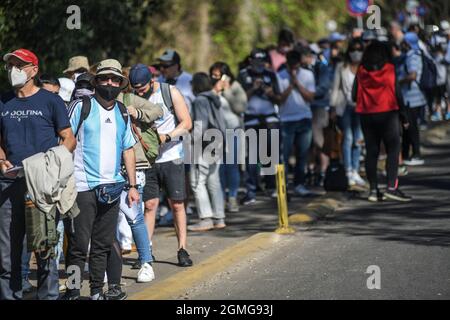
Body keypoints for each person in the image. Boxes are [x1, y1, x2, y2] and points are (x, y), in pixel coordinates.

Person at [0, 48, 76, 300]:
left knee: (44, 249)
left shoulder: (50, 101)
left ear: (34, 70)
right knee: (7, 254)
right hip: (8, 185)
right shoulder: (2, 101)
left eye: (19, 65)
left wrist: (50, 164)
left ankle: (49, 297)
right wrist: (2, 160)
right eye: (10, 65)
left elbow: (68, 139)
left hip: (41, 185)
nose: (13, 69)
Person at [62, 59, 139, 300]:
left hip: (112, 188)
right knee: (77, 244)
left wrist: (133, 185)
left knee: (103, 244)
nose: (109, 83)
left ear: (120, 83)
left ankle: (97, 291)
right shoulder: (81, 106)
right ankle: (74, 291)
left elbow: (128, 149)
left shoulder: (122, 111)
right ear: (96, 81)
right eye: (104, 78)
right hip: (81, 187)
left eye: (114, 79)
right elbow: (65, 140)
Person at [130, 63, 194, 267]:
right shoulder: (133, 98)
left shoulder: (169, 92)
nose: (139, 92)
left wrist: (167, 136)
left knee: (177, 204)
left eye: (141, 88)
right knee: (149, 205)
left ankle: (182, 249)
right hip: (147, 160)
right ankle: (146, 252)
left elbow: (186, 123)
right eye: (135, 89)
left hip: (171, 155)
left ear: (151, 80)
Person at [353, 41, 411, 202]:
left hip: (366, 114)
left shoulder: (361, 70)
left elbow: (353, 95)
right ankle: (391, 187)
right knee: (393, 148)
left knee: (372, 151)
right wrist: (404, 116)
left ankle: (373, 190)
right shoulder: (389, 70)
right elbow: (398, 94)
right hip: (387, 113)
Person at [238, 48, 281, 204]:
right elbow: (240, 100)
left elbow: (279, 98)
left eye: (262, 61)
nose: (260, 65)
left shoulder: (270, 74)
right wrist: (254, 88)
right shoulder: (243, 75)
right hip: (251, 119)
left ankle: (273, 186)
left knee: (271, 153)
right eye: (257, 61)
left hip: (270, 119)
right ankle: (251, 190)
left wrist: (269, 93)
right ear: (250, 61)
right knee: (252, 156)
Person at [187, 73, 226, 231]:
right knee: (213, 181)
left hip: (204, 144)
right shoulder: (215, 99)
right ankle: (219, 218)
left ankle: (206, 218)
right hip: (217, 142)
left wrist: (192, 142)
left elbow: (200, 125)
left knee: (197, 182)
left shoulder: (200, 100)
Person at [209, 62, 247, 213]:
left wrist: (227, 91)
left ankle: (232, 197)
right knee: (219, 167)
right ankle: (221, 198)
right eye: (213, 75)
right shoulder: (209, 88)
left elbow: (241, 108)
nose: (215, 78)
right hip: (216, 133)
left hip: (233, 131)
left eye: (218, 76)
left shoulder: (235, 86)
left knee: (231, 165)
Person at [277, 49, 315, 196]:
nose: (293, 68)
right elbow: (280, 99)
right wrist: (291, 85)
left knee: (302, 154)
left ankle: (300, 184)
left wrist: (297, 83)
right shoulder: (280, 76)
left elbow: (310, 97)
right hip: (286, 119)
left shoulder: (308, 75)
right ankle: (282, 185)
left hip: (304, 117)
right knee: (284, 155)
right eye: (291, 65)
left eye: (296, 65)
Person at [330, 39, 366, 187]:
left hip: (361, 107)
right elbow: (335, 88)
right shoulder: (341, 67)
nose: (356, 52)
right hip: (344, 107)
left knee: (358, 139)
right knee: (348, 137)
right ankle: (348, 170)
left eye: (359, 49)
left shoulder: (366, 67)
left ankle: (356, 170)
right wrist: (332, 108)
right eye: (353, 49)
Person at [398, 32, 426, 166]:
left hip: (412, 97)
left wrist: (398, 81)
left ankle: (416, 154)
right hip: (414, 97)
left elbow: (413, 75)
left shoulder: (412, 56)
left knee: (411, 127)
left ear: (407, 43)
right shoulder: (417, 53)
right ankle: (407, 154)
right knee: (409, 127)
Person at [309, 44, 332, 187]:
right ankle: (311, 171)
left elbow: (323, 88)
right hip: (304, 108)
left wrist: (307, 93)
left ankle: (323, 171)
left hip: (319, 108)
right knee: (308, 144)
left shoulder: (321, 67)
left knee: (320, 142)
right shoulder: (301, 69)